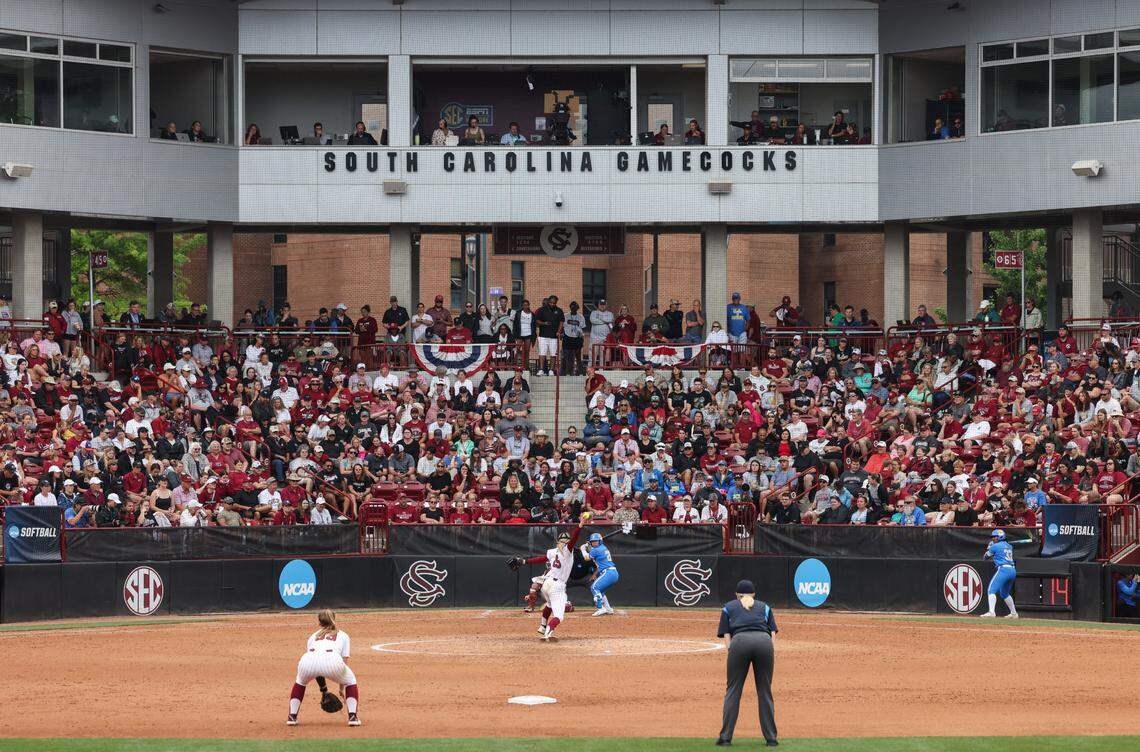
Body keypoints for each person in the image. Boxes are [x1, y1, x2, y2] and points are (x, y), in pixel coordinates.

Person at [716, 579, 778, 748]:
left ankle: (726, 738)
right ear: (754, 595)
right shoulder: (764, 607)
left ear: (737, 595)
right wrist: (769, 649)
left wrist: (732, 650)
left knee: (733, 690)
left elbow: (726, 634)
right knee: (765, 690)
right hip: (764, 642)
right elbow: (772, 633)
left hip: (740, 642)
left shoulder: (728, 607)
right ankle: (771, 739)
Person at [509, 519, 583, 640]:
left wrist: (524, 561)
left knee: (549, 605)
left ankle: (543, 626)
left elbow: (541, 559)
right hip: (557, 586)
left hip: (546, 584)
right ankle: (548, 632)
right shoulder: (568, 551)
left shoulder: (553, 551)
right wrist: (580, 526)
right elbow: (573, 541)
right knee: (559, 616)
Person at [286, 609, 361, 727]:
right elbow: (344, 662)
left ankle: (292, 717)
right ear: (334, 620)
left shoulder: (312, 637)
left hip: (307, 661)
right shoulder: (343, 635)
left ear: (319, 623)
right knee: (351, 680)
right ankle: (352, 717)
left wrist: (324, 690)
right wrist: (342, 687)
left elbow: (317, 667)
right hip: (332, 661)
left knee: (300, 682)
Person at [981, 529, 1019, 619]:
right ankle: (1014, 614)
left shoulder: (995, 546)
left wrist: (989, 548)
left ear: (1000, 537)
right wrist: (992, 547)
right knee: (1004, 593)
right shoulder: (1009, 546)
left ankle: (991, 612)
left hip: (1003, 569)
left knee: (991, 590)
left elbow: (985, 557)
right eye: (993, 537)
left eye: (995, 537)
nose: (993, 538)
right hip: (1012, 571)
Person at [580, 531, 618, 616]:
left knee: (594, 587)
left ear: (600, 541)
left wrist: (583, 549)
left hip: (608, 572)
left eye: (596, 541)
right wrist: (589, 546)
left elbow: (586, 557)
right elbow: (593, 551)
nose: (594, 543)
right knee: (601, 591)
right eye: (593, 541)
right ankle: (608, 609)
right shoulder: (602, 548)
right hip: (612, 573)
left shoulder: (597, 550)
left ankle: (600, 608)